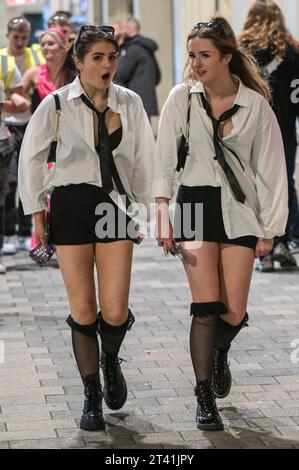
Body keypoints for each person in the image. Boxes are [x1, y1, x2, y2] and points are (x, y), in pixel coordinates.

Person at [153, 17, 288, 431]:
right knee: (206, 307)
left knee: (234, 310)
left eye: (204, 55)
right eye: (192, 55)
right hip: (194, 202)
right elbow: (163, 160)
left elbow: (271, 172)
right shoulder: (182, 98)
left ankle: (217, 354)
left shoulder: (256, 106)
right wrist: (162, 212)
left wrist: (270, 229)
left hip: (240, 209)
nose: (196, 63)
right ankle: (204, 395)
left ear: (227, 56)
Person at [18, 25, 154, 431]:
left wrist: (143, 214)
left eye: (112, 57)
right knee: (82, 308)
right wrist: (38, 216)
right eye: (97, 57)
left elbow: (145, 161)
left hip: (114, 206)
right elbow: (31, 158)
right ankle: (90, 394)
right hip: (71, 206)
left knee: (113, 311)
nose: (107, 65)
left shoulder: (129, 103)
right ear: (78, 62)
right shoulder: (57, 104)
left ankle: (110, 359)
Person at [239, 0, 299, 272]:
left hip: (249, 128)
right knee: (284, 183)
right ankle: (284, 242)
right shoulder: (293, 52)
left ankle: (261, 246)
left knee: (253, 185)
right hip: (284, 128)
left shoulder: (241, 50)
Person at [0, 16, 40, 254]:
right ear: (8, 35)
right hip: (8, 125)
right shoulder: (4, 59)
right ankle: (10, 232)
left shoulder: (35, 57)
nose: (20, 41)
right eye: (16, 36)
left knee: (29, 178)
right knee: (11, 181)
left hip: (30, 122)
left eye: (24, 36)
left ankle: (26, 231)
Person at [114, 16, 161, 119]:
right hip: (144, 98)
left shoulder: (134, 49)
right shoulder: (145, 47)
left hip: (136, 99)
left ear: (128, 29)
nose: (121, 32)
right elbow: (157, 75)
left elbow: (120, 74)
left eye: (122, 28)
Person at [22, 28, 67, 113]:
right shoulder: (34, 73)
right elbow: (18, 95)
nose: (45, 48)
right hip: (43, 123)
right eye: (42, 45)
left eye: (50, 44)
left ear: (62, 48)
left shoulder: (73, 73)